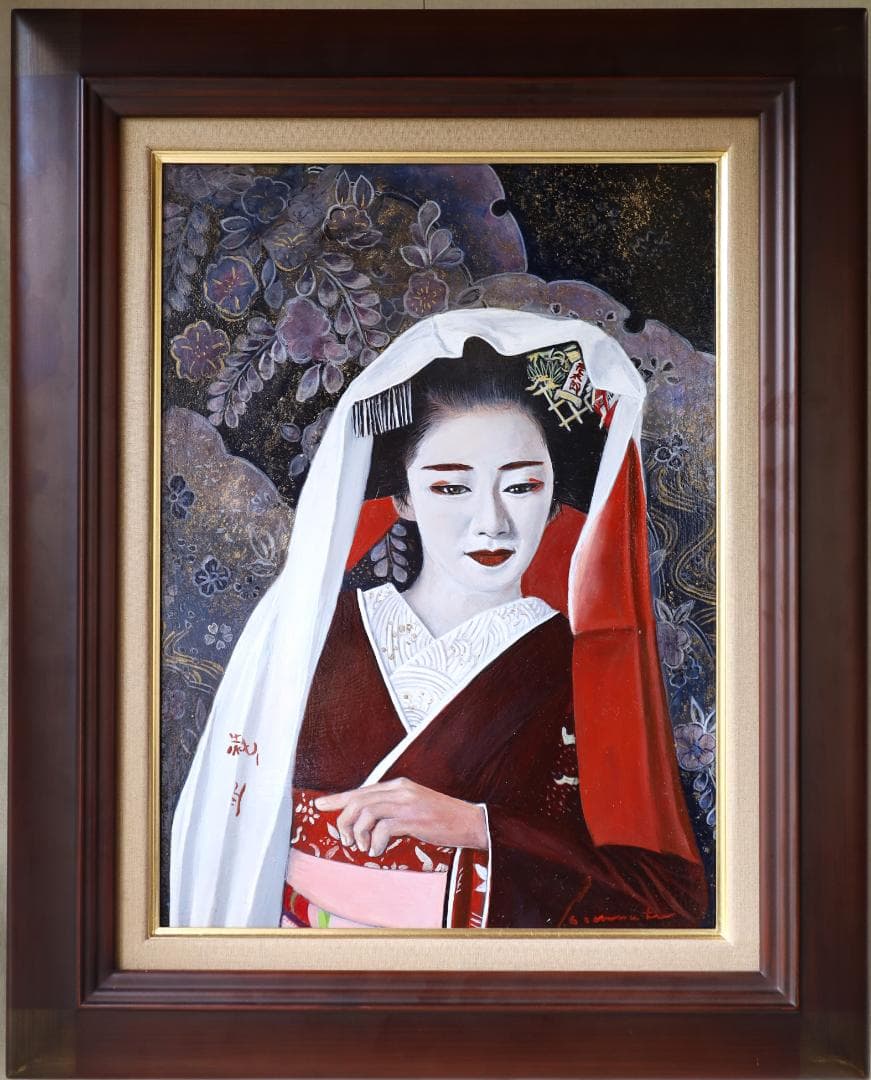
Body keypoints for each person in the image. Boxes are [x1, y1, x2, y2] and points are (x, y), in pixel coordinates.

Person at [170, 308, 707, 929]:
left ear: (555, 495)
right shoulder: (314, 629)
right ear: (403, 496)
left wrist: (479, 828)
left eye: (522, 486)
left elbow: (664, 897)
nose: (492, 523)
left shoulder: (584, 662)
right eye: (452, 488)